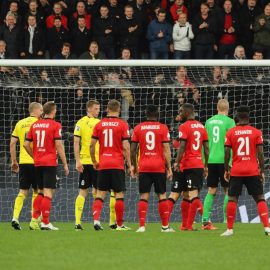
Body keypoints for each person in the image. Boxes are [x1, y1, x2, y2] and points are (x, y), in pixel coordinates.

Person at [221, 106, 270, 236]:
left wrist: (226, 169)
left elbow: (226, 152)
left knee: (232, 198)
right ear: (248, 118)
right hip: (252, 170)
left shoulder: (230, 132)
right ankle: (267, 228)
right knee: (259, 198)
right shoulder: (256, 132)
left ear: (237, 118)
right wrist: (262, 170)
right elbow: (260, 153)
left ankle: (230, 229)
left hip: (236, 171)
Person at [24, 101, 69, 230]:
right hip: (49, 162)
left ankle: (34, 220)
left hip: (38, 162)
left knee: (41, 192)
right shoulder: (55, 125)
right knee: (48, 192)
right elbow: (59, 145)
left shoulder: (35, 125)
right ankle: (45, 222)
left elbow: (26, 144)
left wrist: (34, 156)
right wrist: (65, 163)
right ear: (53, 112)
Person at [90, 99, 133, 231]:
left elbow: (91, 145)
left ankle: (96, 221)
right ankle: (119, 224)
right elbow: (126, 147)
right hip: (117, 164)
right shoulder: (122, 124)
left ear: (107, 109)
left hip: (103, 163)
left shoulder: (99, 124)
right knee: (119, 194)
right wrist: (130, 164)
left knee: (100, 194)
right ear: (119, 110)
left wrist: (94, 161)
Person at [131, 105, 174, 233]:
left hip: (143, 166)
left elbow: (133, 150)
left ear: (145, 113)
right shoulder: (163, 128)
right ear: (158, 114)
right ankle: (165, 227)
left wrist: (134, 166)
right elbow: (166, 149)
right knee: (162, 195)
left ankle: (142, 226)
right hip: (158, 166)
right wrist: (169, 168)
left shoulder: (138, 128)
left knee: (144, 196)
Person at [74, 100, 117, 230]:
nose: (98, 111)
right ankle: (99, 221)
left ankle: (78, 222)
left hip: (84, 162)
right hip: (97, 163)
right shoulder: (100, 123)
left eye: (99, 108)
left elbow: (76, 142)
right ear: (90, 109)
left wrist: (77, 160)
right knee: (99, 192)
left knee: (83, 192)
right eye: (96, 109)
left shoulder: (80, 123)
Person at [173, 103, 209, 230]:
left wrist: (177, 162)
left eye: (181, 111)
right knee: (189, 195)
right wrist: (206, 166)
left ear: (187, 113)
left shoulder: (184, 126)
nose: (179, 113)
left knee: (189, 195)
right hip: (197, 164)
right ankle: (190, 224)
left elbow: (181, 146)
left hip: (187, 164)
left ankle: (191, 224)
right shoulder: (201, 126)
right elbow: (206, 148)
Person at [201, 99, 235, 230]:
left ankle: (205, 219)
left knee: (211, 190)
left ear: (217, 108)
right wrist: (231, 163)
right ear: (228, 108)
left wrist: (205, 163)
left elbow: (205, 145)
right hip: (224, 161)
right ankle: (226, 219)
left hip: (211, 160)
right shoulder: (230, 122)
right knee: (228, 191)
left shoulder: (208, 122)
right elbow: (232, 144)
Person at [10, 102, 43, 230]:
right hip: (36, 162)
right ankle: (33, 220)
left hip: (23, 162)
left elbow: (12, 143)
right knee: (37, 192)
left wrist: (14, 161)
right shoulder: (40, 124)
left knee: (22, 191)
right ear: (36, 111)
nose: (42, 113)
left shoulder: (20, 123)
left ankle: (15, 217)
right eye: (41, 110)